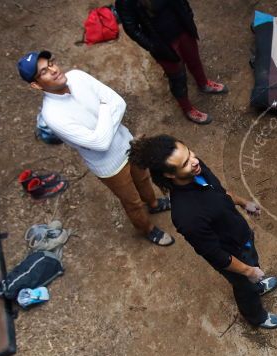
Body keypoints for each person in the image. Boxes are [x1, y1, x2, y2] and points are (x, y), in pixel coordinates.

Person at [18, 50, 174, 246]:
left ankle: (153, 204)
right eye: (43, 72)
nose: (54, 70)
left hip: (128, 143)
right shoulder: (53, 115)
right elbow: (101, 144)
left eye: (51, 64)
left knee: (143, 178)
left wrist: (104, 120)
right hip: (109, 166)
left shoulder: (77, 76)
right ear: (35, 85)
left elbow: (120, 103)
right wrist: (104, 107)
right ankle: (148, 229)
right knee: (132, 201)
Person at [128, 135, 277, 329]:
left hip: (242, 236)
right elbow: (217, 255)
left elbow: (220, 191)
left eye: (189, 153)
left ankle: (256, 284)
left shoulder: (196, 168)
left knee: (253, 268)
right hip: (232, 255)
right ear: (170, 175)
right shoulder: (186, 216)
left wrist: (244, 203)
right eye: (185, 163)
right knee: (244, 287)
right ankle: (256, 316)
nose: (194, 161)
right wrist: (248, 271)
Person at [115, 0, 227, 125]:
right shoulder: (124, 2)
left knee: (194, 59)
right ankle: (188, 109)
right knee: (177, 76)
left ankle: (204, 84)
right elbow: (132, 28)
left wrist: (188, 15)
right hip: (163, 44)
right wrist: (152, 46)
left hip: (183, 30)